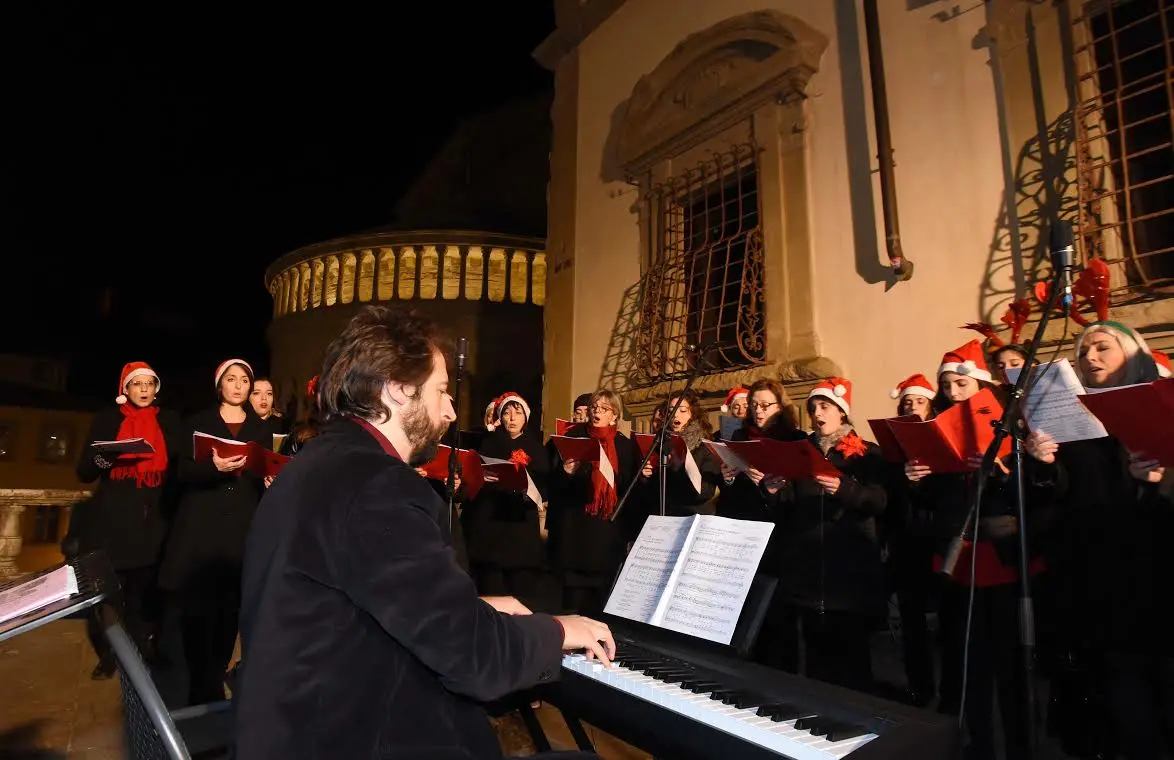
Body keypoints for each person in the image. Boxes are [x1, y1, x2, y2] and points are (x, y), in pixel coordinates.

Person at [235, 305, 611, 760]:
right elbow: (475, 659)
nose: (451, 410)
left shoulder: (318, 466)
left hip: (308, 725)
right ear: (398, 390)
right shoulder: (377, 485)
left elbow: (354, 597)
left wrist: (471, 607)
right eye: (441, 392)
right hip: (354, 737)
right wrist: (555, 628)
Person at [72, 361, 183, 678]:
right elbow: (84, 471)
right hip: (111, 524)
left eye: (150, 384)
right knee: (110, 596)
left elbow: (179, 465)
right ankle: (109, 656)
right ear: (125, 389)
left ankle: (143, 653)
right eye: (138, 384)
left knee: (146, 596)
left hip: (154, 522)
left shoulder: (169, 421)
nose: (144, 390)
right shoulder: (107, 420)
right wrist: (104, 457)